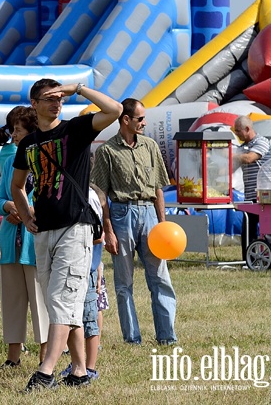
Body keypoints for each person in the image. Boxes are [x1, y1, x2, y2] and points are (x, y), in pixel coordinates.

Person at [11, 79, 121, 391]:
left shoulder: (76, 129)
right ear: (34, 103)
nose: (56, 103)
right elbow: (17, 185)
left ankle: (46, 372)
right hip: (43, 230)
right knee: (61, 303)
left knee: (62, 298)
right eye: (48, 98)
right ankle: (79, 372)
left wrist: (79, 89)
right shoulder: (27, 144)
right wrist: (25, 212)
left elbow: (115, 110)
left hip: (76, 226)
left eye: (59, 98)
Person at [93, 97, 176, 347]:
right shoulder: (106, 151)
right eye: (140, 118)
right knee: (123, 283)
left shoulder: (150, 146)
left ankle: (167, 337)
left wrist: (162, 225)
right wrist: (108, 231)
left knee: (160, 278)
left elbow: (159, 189)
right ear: (125, 120)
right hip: (121, 215)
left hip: (150, 213)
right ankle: (132, 339)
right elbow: (101, 195)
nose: (144, 122)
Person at [0, 106, 48, 369]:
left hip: (35, 241)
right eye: (13, 130)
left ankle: (44, 358)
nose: (13, 135)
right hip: (10, 242)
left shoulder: (46, 160)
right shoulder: (9, 162)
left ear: (31, 133)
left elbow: (48, 198)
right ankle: (12, 357)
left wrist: (28, 212)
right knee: (12, 300)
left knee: (40, 301)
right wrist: (9, 208)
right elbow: (0, 199)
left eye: (18, 130)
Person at [61, 184, 106, 380]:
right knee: (73, 320)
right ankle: (76, 363)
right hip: (72, 268)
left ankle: (91, 368)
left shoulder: (89, 196)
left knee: (90, 322)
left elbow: (98, 236)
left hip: (86, 270)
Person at [232, 115, 271, 261]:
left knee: (269, 229)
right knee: (248, 230)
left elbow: (249, 158)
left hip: (265, 195)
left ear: (247, 129)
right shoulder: (242, 148)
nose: (236, 134)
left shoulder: (262, 142)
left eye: (238, 131)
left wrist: (230, 154)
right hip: (249, 196)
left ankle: (270, 257)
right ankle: (248, 260)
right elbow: (232, 167)